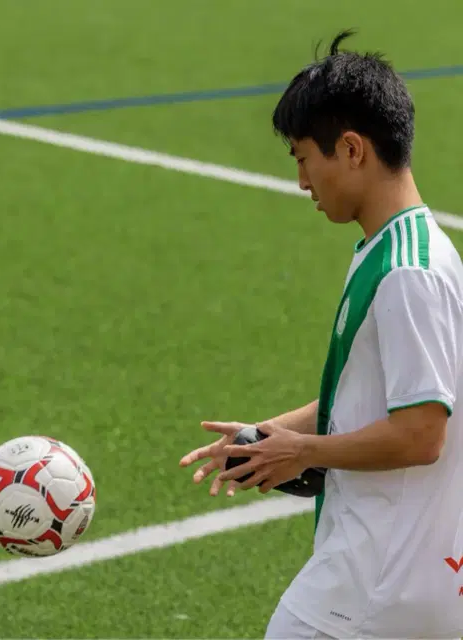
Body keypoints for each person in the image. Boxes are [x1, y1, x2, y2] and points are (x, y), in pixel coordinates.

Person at [179, 30, 463, 639]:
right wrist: (271, 436)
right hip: (397, 576)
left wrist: (300, 453)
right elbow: (378, 394)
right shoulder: (398, 250)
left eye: (305, 157)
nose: (303, 181)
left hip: (375, 583)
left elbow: (421, 433)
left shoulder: (407, 273)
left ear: (352, 150)